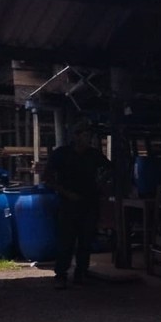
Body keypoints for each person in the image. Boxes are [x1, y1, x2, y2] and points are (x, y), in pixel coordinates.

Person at [45, 121, 110, 289]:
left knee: (86, 241)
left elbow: (109, 170)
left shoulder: (94, 155)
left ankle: (81, 273)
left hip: (89, 203)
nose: (88, 139)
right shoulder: (62, 154)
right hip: (68, 204)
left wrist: (102, 185)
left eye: (90, 136)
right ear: (76, 136)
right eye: (85, 135)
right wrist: (66, 193)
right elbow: (49, 179)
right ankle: (61, 275)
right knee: (66, 241)